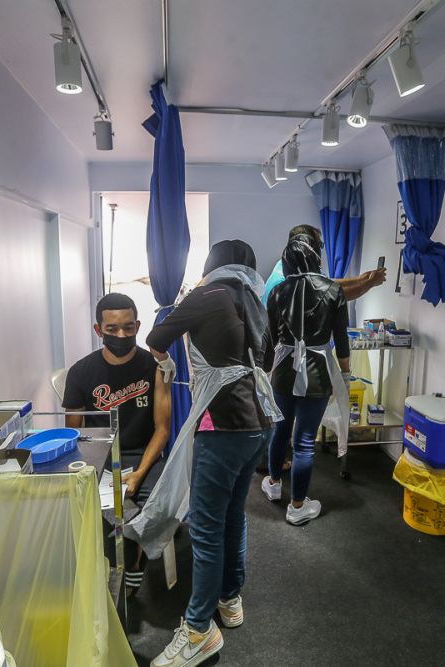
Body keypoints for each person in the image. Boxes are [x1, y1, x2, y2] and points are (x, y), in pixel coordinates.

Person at [144, 240, 278, 667]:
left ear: (210, 266)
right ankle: (229, 596)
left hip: (221, 424)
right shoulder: (257, 302)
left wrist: (166, 364)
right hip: (261, 422)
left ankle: (199, 629)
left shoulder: (207, 294)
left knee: (204, 527)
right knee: (234, 514)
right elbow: (267, 357)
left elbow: (156, 337)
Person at [62, 292, 171, 595]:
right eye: (112, 329)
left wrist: (139, 473)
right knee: (105, 506)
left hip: (145, 455)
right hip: (101, 457)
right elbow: (75, 434)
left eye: (128, 327)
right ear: (99, 330)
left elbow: (162, 430)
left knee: (160, 505)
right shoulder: (80, 372)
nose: (121, 335)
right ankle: (118, 563)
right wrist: (98, 472)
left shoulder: (155, 367)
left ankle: (134, 559)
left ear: (138, 326)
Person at [262, 233, 351, 525]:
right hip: (317, 372)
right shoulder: (334, 290)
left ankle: (274, 484)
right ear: (315, 257)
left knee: (280, 432)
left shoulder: (277, 291)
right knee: (304, 442)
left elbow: (271, 338)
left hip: (283, 372)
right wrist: (345, 375)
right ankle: (297, 507)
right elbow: (342, 340)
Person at [262, 224, 387, 303]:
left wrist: (362, 279)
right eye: (318, 245)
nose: (318, 251)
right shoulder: (285, 279)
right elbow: (332, 295)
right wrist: (370, 282)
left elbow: (327, 283)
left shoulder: (295, 266)